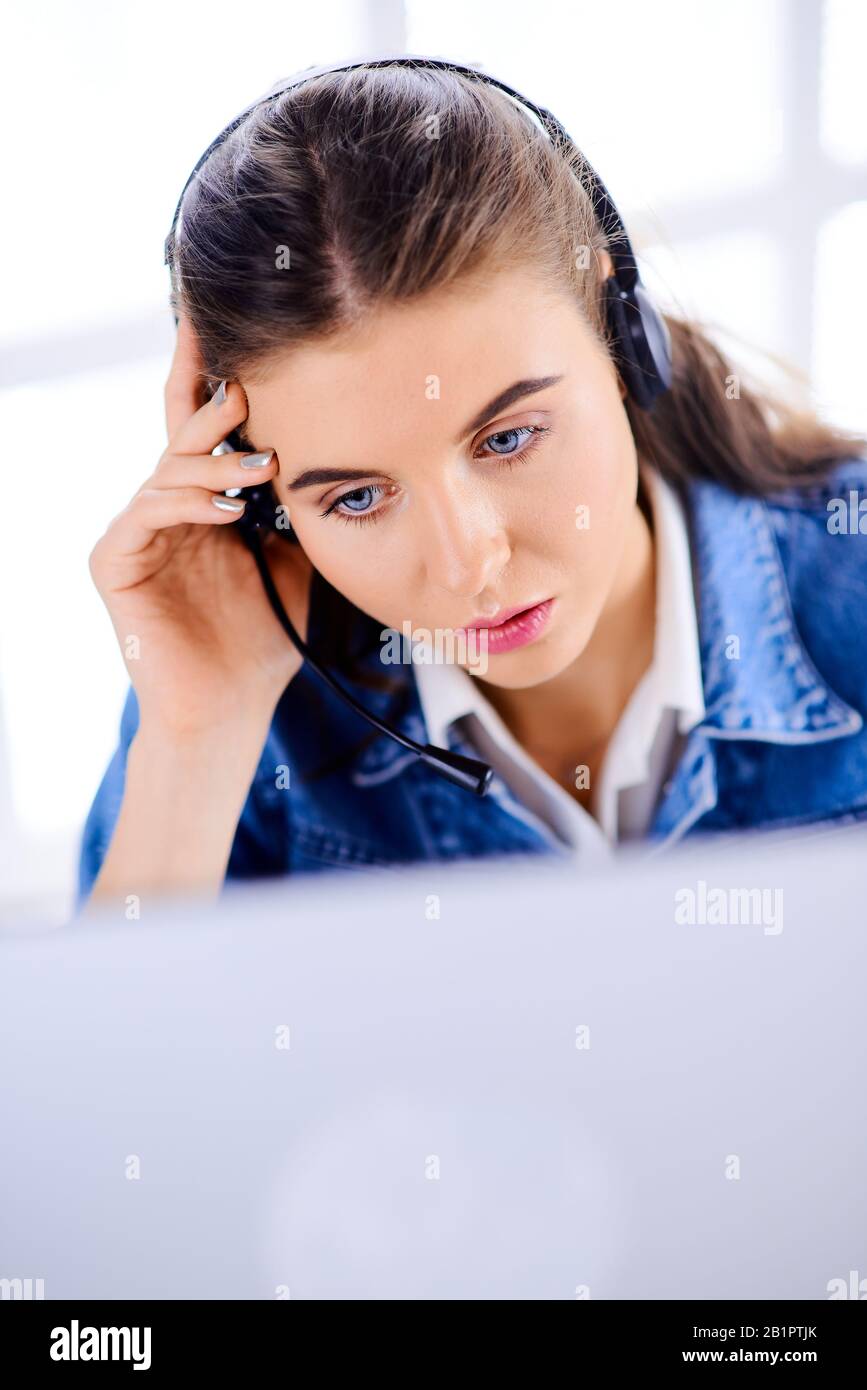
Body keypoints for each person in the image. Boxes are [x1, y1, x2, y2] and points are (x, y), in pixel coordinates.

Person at [76, 61, 867, 914]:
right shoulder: (241, 702)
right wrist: (200, 740)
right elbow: (124, 1045)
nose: (467, 565)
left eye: (509, 439)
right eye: (354, 498)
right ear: (269, 510)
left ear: (621, 338)